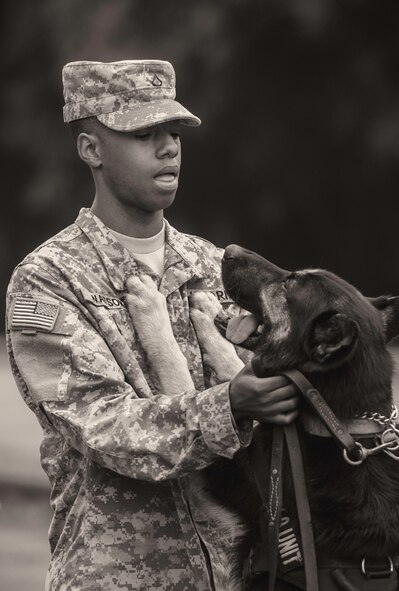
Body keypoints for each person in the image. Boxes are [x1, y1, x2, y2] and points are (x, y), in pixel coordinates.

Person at [6, 59, 299, 591]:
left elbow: (281, 401)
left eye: (173, 133)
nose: (168, 148)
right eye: (144, 134)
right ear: (91, 149)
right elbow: (106, 428)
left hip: (238, 578)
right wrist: (231, 404)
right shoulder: (48, 281)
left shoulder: (215, 267)